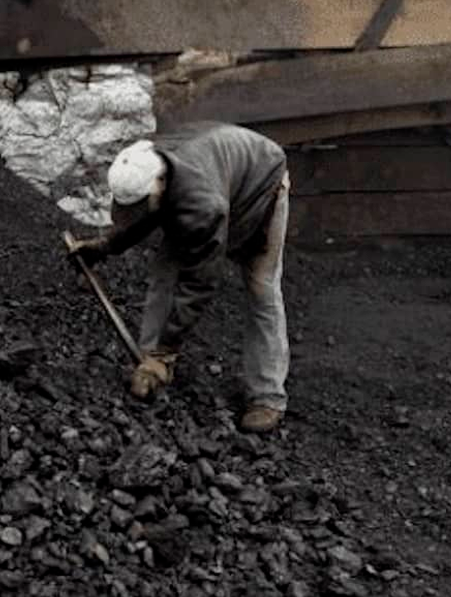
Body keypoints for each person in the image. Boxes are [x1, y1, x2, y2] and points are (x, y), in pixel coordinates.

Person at [67, 122, 292, 433]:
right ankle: (149, 363)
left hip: (261, 185)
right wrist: (106, 246)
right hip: (216, 173)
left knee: (261, 288)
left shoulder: (203, 206)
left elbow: (199, 284)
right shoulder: (146, 161)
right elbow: (142, 215)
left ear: (160, 186)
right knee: (163, 271)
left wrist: (168, 349)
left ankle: (268, 396)